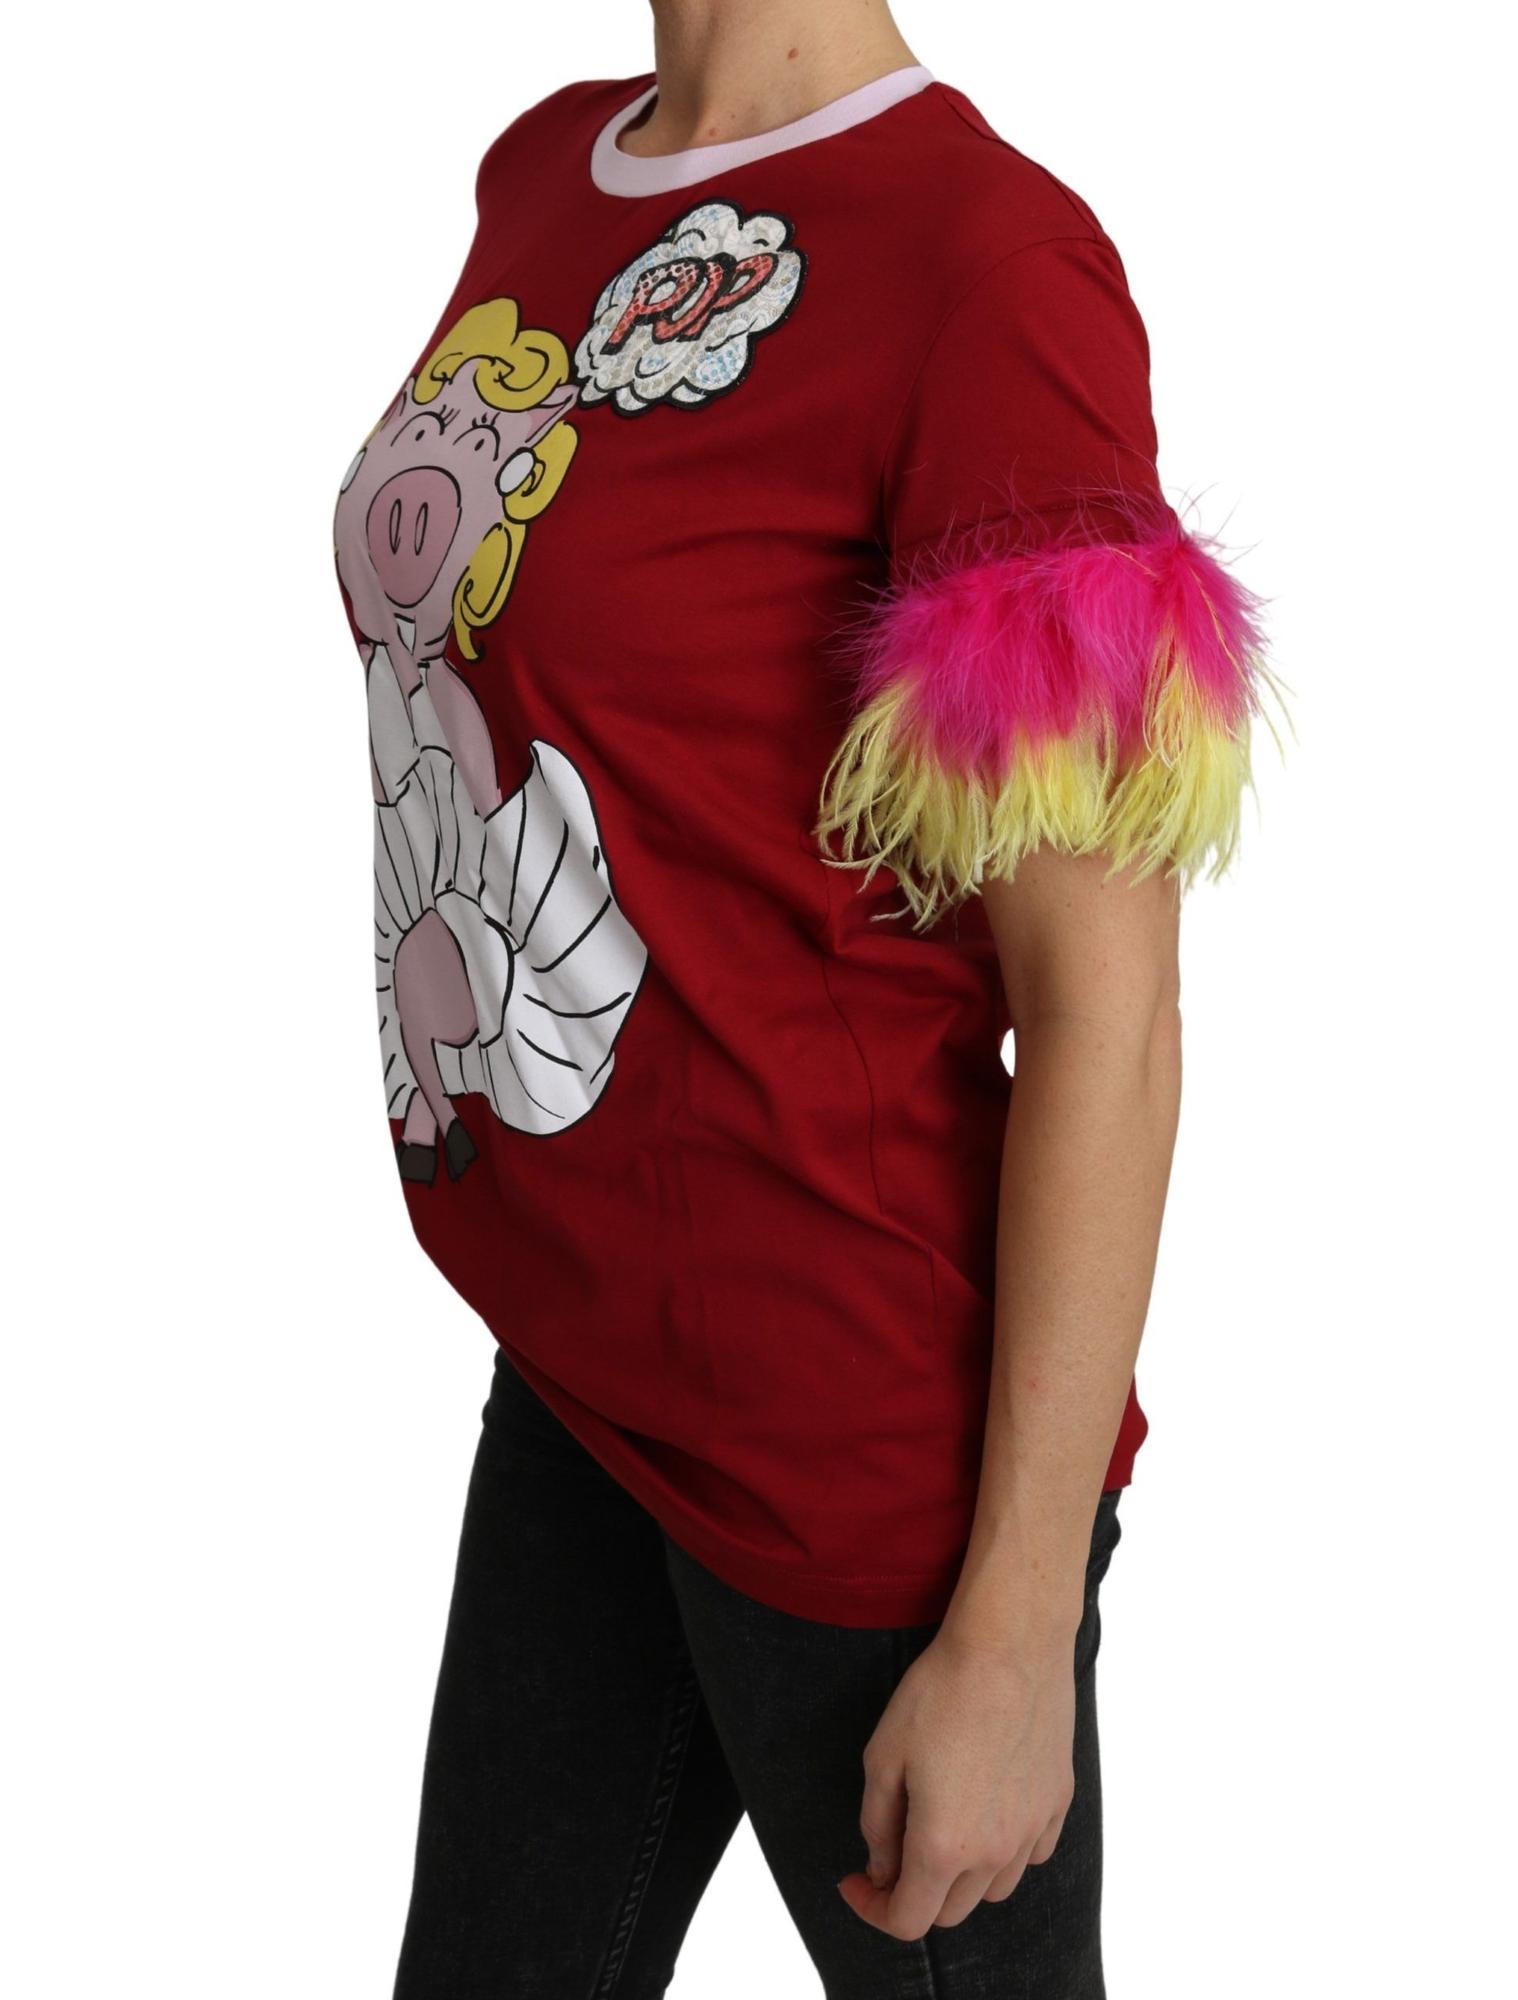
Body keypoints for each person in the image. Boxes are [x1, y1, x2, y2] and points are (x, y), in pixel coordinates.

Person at [331, 3, 1270, 1992]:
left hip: (850, 1442)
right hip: (588, 1356)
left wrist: (1011, 1632)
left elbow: (1105, 1013)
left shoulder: (981, 268)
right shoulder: (547, 170)